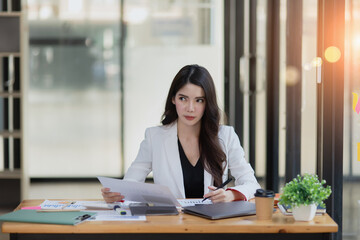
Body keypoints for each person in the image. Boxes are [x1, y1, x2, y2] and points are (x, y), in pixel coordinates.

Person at [102, 64, 260, 203]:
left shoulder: (226, 135)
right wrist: (117, 194)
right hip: (172, 226)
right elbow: (131, 183)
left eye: (199, 100)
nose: (190, 108)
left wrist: (231, 195)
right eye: (183, 98)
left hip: (213, 226)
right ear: (173, 99)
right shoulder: (154, 137)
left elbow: (252, 184)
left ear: (207, 103)